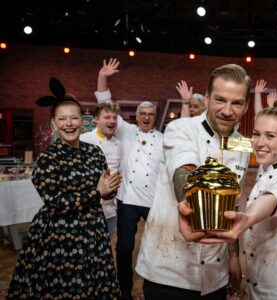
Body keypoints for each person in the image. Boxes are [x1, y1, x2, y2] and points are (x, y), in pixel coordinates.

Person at [135, 64, 252, 299]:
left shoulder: (243, 145)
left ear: (246, 105)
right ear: (207, 98)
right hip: (169, 268)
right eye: (220, 100)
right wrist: (187, 204)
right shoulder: (180, 128)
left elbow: (233, 203)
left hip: (214, 273)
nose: (227, 111)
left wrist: (233, 257)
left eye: (237, 103)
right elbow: (183, 167)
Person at [182, 99, 277, 299]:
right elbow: (212, 140)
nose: (260, 142)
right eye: (256, 134)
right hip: (258, 283)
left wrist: (247, 218)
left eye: (270, 136)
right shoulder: (265, 168)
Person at [7, 78, 121, 299]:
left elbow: (106, 189)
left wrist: (110, 188)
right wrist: (97, 192)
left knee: (93, 287)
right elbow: (57, 204)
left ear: (83, 120)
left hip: (93, 233)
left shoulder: (94, 152)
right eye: (62, 119)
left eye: (74, 118)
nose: (69, 124)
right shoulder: (48, 158)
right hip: (59, 238)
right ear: (54, 123)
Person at [94, 58, 164, 299]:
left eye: (150, 114)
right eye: (142, 113)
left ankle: (153, 288)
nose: (146, 117)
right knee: (124, 248)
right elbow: (104, 102)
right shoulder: (126, 131)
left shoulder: (164, 138)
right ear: (136, 115)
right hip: (128, 200)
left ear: (156, 116)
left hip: (154, 201)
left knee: (156, 246)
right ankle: (124, 290)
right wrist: (103, 76)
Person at [80, 102, 121, 238]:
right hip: (88, 209)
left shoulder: (118, 143)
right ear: (96, 119)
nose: (112, 121)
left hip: (111, 210)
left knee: (105, 248)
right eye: (107, 117)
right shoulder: (84, 140)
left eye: (114, 117)